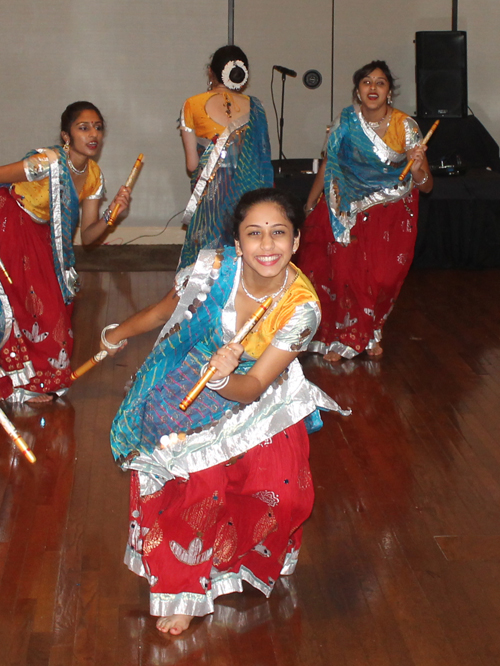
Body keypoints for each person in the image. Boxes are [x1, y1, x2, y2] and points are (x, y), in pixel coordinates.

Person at [100, 188, 349, 636]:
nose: (267, 245)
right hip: (189, 377)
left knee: (282, 493)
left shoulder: (301, 308)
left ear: (295, 243)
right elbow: (162, 314)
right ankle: (182, 589)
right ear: (237, 243)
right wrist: (116, 333)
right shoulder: (213, 271)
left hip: (261, 389)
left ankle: (250, 556)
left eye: (279, 234)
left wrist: (220, 380)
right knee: (199, 485)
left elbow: (253, 386)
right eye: (254, 234)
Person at [296, 60, 433, 362]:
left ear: (389, 92)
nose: (373, 88)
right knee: (342, 274)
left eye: (380, 82)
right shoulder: (345, 121)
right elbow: (328, 167)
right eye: (366, 82)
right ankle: (340, 338)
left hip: (390, 211)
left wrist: (419, 165)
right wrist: (309, 205)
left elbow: (425, 186)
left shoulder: (406, 127)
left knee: (382, 278)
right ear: (358, 91)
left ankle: (372, 330)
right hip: (345, 207)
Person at [0, 101, 131, 403]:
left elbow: (88, 236)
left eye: (97, 127)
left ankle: (38, 378)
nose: (92, 134)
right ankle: (21, 383)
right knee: (30, 307)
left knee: (55, 309)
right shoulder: (45, 162)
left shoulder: (94, 175)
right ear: (66, 136)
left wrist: (112, 214)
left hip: (41, 236)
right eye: (83, 127)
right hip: (11, 224)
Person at [177, 45, 274, 270]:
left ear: (211, 72)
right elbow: (263, 161)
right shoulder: (256, 108)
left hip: (211, 200)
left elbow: (192, 165)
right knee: (243, 253)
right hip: (247, 198)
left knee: (207, 261)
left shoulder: (192, 104)